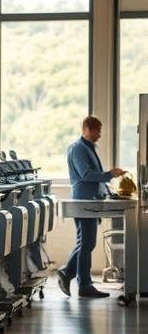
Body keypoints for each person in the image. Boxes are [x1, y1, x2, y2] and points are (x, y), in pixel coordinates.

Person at [56, 115, 124, 298]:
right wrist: (110, 174)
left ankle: (68, 272)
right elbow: (86, 175)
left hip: (91, 201)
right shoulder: (78, 149)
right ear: (86, 129)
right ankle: (83, 284)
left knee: (86, 242)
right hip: (84, 202)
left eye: (100, 131)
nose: (99, 134)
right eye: (96, 130)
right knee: (87, 243)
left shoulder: (88, 148)